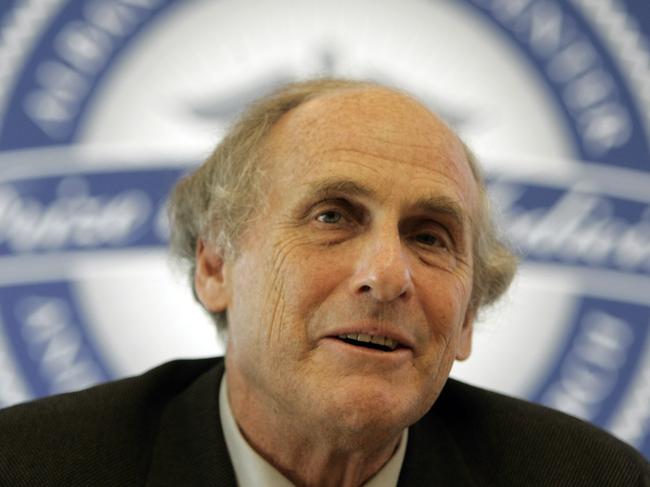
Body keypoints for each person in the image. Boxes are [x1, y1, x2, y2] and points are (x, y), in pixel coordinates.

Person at [0, 78, 648, 487]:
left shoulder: (592, 477)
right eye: (332, 216)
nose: (388, 276)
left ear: (468, 318)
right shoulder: (30, 466)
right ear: (216, 266)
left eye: (429, 236)